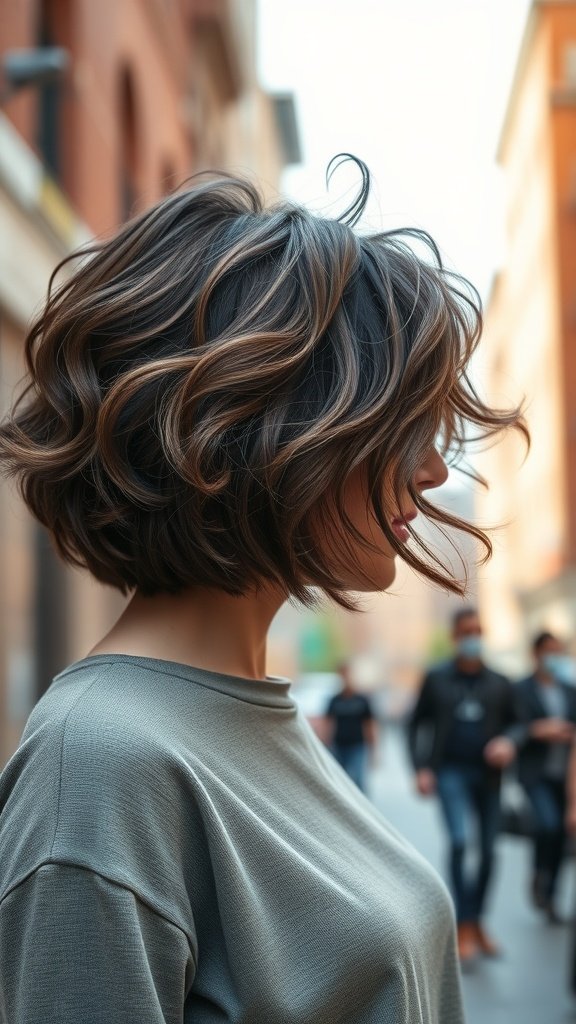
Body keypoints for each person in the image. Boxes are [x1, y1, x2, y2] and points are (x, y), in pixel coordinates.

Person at [0, 156, 527, 1023]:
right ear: (274, 431)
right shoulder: (99, 765)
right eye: (403, 428)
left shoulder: (245, 710)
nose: (434, 470)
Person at [408, 607, 523, 964]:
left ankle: (477, 922)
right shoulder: (436, 677)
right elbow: (415, 724)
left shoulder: (500, 682)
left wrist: (509, 742)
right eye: (466, 632)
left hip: (488, 776)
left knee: (489, 850)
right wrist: (421, 768)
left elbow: (518, 724)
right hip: (450, 772)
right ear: (455, 637)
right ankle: (464, 925)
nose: (473, 638)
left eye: (478, 631)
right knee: (459, 842)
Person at [515, 631, 576, 923]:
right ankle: (539, 873)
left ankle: (551, 898)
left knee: (562, 834)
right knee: (548, 824)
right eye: (548, 651)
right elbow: (517, 727)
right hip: (535, 773)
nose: (553, 657)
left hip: (565, 774)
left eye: (558, 651)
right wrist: (538, 729)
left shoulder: (569, 690)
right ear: (536, 654)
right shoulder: (521, 689)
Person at [323, 662, 377, 792]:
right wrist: (326, 745)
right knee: (340, 779)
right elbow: (328, 723)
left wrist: (373, 749)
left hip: (357, 745)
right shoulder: (335, 700)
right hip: (339, 745)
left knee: (358, 778)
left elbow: (369, 724)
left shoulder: (361, 700)